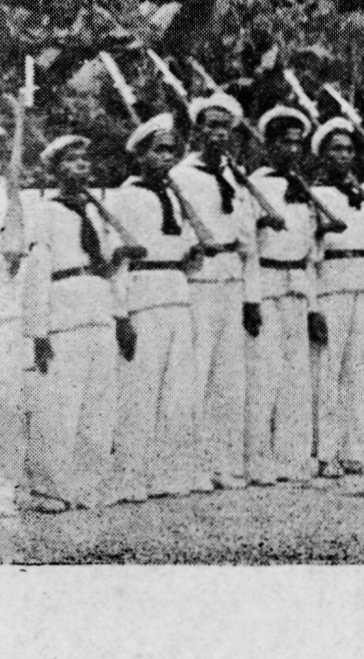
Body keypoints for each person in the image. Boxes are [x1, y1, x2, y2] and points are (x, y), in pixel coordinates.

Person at [19, 136, 131, 512]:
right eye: (70, 160)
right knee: (58, 403)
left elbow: (112, 271)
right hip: (64, 311)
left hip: (98, 308)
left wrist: (120, 315)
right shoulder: (47, 212)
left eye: (85, 159)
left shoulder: (99, 210)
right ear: (54, 169)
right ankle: (48, 488)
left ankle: (86, 484)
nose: (80, 166)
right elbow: (36, 271)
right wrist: (38, 331)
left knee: (98, 404)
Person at [102, 114, 202, 501]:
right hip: (142, 295)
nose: (167, 158)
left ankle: (169, 474)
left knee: (177, 391)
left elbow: (189, 254)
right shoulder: (124, 196)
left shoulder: (177, 196)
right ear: (140, 154)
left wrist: (192, 253)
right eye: (159, 150)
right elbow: (117, 258)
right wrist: (121, 314)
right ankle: (130, 476)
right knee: (139, 389)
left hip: (177, 292)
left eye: (172, 151)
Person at [171, 92, 254, 490]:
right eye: (210, 125)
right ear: (196, 130)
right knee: (197, 374)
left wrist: (250, 295)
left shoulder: (236, 176)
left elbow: (248, 237)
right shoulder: (181, 176)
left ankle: (225, 463)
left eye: (225, 127)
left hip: (232, 280)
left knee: (229, 378)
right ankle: (193, 466)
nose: (218, 133)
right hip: (199, 280)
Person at [245, 106, 320, 485]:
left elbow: (310, 251)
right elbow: (250, 247)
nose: (291, 149)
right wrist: (252, 298)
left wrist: (313, 302)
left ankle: (292, 457)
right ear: (267, 144)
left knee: (295, 377)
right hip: (267, 284)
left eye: (297, 143)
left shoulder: (301, 188)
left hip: (296, 288)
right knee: (264, 375)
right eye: (283, 142)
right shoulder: (254, 184)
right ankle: (257, 459)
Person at [307, 117, 364, 476]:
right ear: (322, 154)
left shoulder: (360, 196)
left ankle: (354, 449)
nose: (344, 155)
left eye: (349, 149)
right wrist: (314, 306)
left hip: (361, 286)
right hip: (330, 286)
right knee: (329, 370)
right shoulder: (314, 195)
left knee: (358, 370)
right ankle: (325, 453)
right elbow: (312, 253)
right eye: (336, 149)